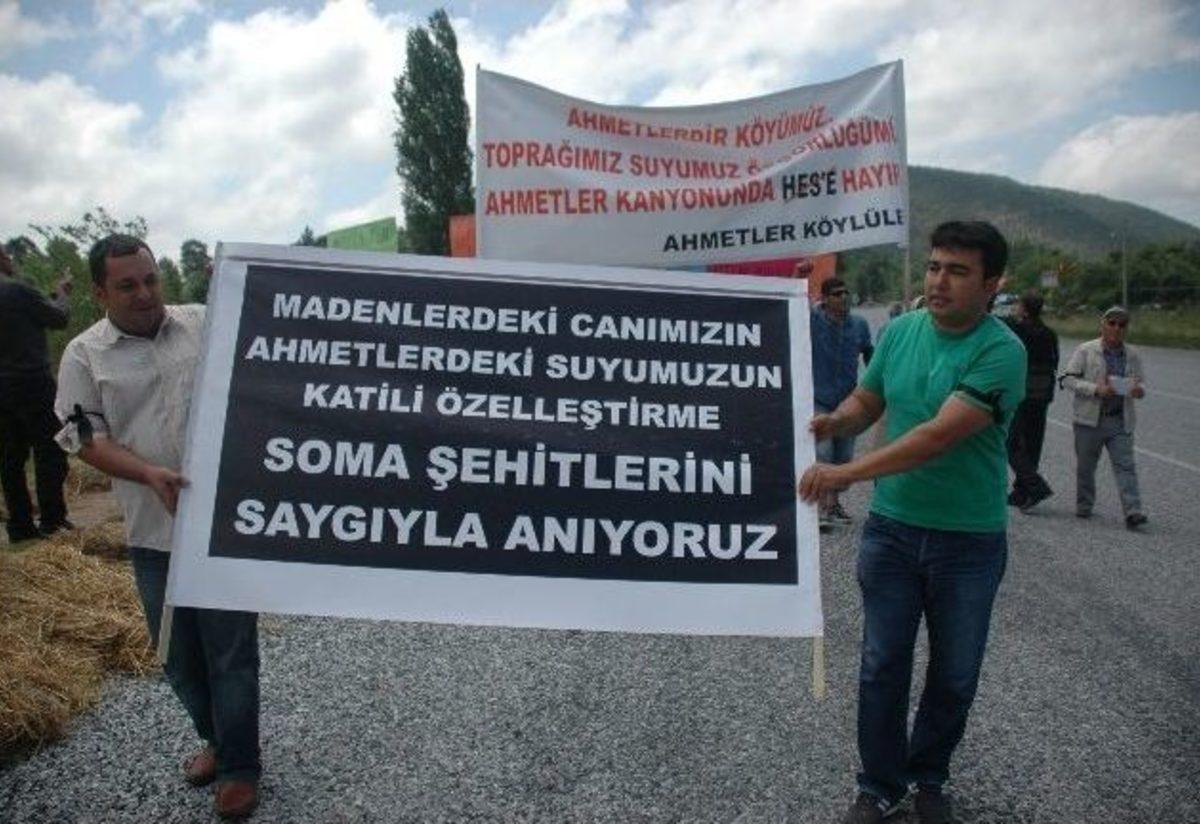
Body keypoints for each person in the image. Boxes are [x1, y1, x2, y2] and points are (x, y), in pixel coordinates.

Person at [798, 221, 1025, 824]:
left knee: (955, 674)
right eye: (934, 267)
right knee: (882, 665)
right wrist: (833, 423)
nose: (939, 281)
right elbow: (868, 400)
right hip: (892, 533)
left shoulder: (1002, 351)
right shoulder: (900, 332)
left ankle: (929, 777)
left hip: (968, 542)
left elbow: (936, 436)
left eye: (958, 271)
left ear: (992, 284)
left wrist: (846, 473)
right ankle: (878, 785)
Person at [54, 234, 261, 819]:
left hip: (224, 529)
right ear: (100, 293)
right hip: (152, 533)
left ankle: (240, 767)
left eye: (150, 279)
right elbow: (83, 438)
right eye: (127, 285)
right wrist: (147, 473)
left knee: (231, 655)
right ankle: (216, 740)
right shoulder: (83, 356)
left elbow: (269, 347)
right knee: (178, 657)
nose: (145, 294)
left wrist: (244, 283)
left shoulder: (203, 323)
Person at [0, 246, 72, 542]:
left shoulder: (18, 294)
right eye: (6, 255)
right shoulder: (17, 291)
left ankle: (20, 526)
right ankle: (52, 520)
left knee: (11, 457)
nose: (10, 259)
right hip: (32, 383)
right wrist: (63, 293)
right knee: (50, 450)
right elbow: (58, 318)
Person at [1062, 306, 1147, 529]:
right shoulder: (1086, 350)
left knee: (1126, 466)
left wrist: (1139, 390)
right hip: (1089, 419)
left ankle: (1133, 511)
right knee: (1086, 467)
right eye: (1112, 323)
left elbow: (1141, 382)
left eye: (1122, 325)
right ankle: (1084, 504)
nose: (1116, 328)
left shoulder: (1133, 354)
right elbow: (1067, 380)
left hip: (1120, 419)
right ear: (1103, 324)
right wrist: (1096, 389)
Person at [809, 276, 874, 529]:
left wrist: (879, 384)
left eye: (846, 292)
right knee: (823, 454)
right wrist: (799, 276)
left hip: (848, 402)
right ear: (825, 299)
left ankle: (834, 504)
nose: (844, 297)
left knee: (844, 458)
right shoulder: (814, 322)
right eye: (837, 294)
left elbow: (870, 355)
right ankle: (820, 509)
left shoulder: (859, 325)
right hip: (819, 399)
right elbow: (792, 307)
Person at [1004, 290, 1059, 510]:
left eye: (1019, 304)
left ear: (1025, 309)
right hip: (1043, 393)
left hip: (1022, 392)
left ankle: (1035, 486)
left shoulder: (1017, 329)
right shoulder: (1050, 333)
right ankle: (1021, 491)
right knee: (1033, 442)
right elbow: (1055, 361)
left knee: (1011, 443)